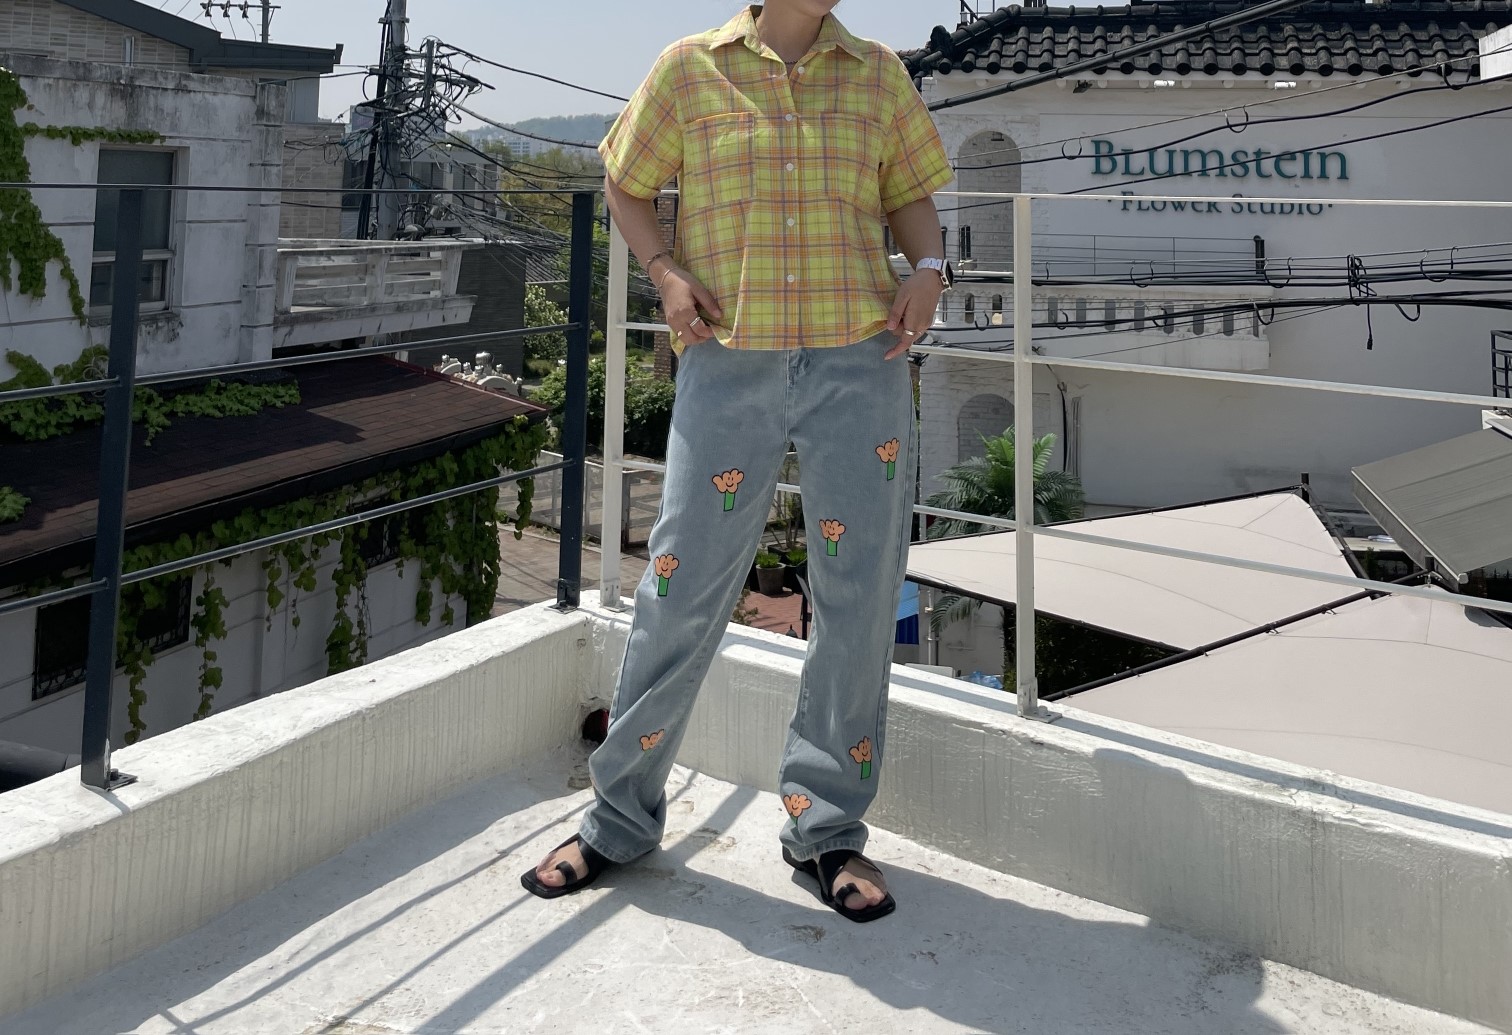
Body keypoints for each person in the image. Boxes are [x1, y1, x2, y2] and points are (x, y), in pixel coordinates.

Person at [522, 0, 954, 923]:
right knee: (679, 584)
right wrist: (665, 272)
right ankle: (616, 818)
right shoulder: (690, 67)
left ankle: (827, 828)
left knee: (858, 595)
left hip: (861, 363)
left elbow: (911, 199)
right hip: (728, 360)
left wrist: (928, 270)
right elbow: (626, 185)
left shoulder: (879, 73)